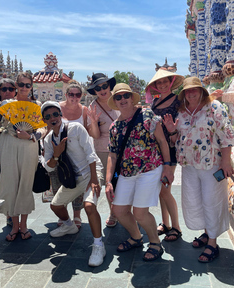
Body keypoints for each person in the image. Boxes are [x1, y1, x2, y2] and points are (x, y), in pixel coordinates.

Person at [163, 77, 234, 263]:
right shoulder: (183, 112)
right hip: (189, 166)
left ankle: (212, 242)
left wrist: (226, 162)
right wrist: (172, 130)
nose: (191, 93)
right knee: (195, 200)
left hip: (211, 165)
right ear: (184, 94)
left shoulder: (214, 108)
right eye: (187, 91)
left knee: (211, 201)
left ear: (201, 91)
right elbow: (176, 141)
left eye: (194, 89)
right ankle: (206, 233)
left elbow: (226, 136)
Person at [105, 83, 174, 262]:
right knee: (119, 211)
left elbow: (162, 141)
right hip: (127, 172)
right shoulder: (114, 126)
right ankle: (136, 237)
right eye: (118, 97)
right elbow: (112, 154)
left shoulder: (147, 115)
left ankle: (155, 242)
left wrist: (167, 166)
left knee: (140, 213)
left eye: (126, 95)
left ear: (131, 97)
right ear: (114, 101)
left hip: (149, 169)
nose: (123, 100)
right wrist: (108, 181)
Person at [41, 101, 106, 267]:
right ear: (44, 120)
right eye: (48, 116)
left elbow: (91, 154)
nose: (52, 118)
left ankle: (99, 245)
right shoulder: (49, 140)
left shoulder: (75, 129)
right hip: (72, 178)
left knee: (89, 206)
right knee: (56, 205)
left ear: (60, 114)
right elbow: (48, 166)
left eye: (55, 114)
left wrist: (93, 180)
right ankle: (69, 225)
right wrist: (56, 154)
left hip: (90, 171)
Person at [0, 72, 45, 242]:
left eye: (28, 85)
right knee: (11, 183)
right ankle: (14, 225)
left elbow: (43, 128)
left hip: (29, 145)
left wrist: (30, 136)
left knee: (25, 185)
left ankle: (24, 225)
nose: (24, 88)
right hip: (8, 144)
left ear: (32, 86)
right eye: (21, 85)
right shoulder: (6, 104)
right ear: (16, 85)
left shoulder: (37, 105)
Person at [145, 69, 184, 241]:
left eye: (164, 82)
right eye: (158, 83)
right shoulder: (154, 103)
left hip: (171, 148)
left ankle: (176, 226)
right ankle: (165, 222)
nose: (162, 85)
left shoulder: (178, 101)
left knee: (165, 188)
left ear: (171, 81)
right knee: (161, 189)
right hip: (156, 150)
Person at [50, 81, 88, 229]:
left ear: (81, 96)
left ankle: (77, 215)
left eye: (77, 94)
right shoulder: (57, 107)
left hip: (77, 153)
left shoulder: (84, 110)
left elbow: (85, 131)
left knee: (77, 184)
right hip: (59, 152)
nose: (74, 97)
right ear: (66, 95)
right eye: (71, 94)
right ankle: (63, 214)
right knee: (59, 182)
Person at [86, 73, 119, 227]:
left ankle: (125, 210)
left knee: (125, 181)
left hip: (124, 147)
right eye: (98, 88)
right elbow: (96, 135)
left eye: (104, 86)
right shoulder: (92, 107)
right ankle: (113, 212)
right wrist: (93, 122)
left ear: (109, 86)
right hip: (103, 149)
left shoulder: (120, 98)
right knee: (109, 182)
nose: (102, 90)